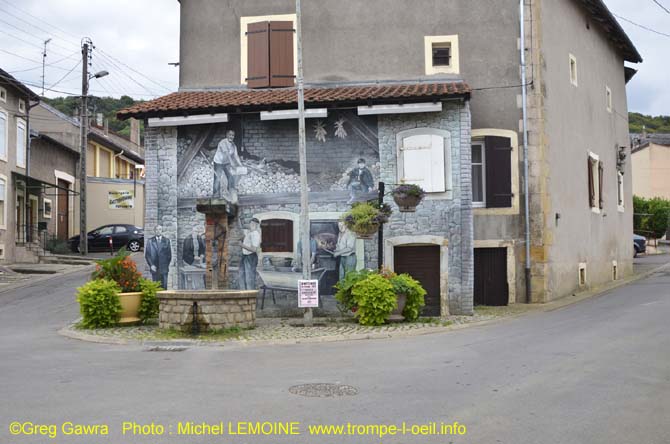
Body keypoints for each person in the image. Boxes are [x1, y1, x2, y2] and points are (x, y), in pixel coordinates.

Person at [212, 129, 243, 202]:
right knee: (217, 178)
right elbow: (227, 154)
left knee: (231, 176)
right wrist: (232, 163)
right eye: (230, 135)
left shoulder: (233, 145)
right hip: (219, 162)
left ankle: (231, 192)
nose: (231, 136)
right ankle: (216, 196)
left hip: (226, 163)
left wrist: (241, 165)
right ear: (227, 135)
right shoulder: (223, 142)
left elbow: (236, 156)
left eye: (233, 135)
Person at [145, 225, 172, 289]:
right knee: (155, 287)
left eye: (160, 229)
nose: (158, 231)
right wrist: (151, 265)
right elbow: (147, 255)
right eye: (156, 229)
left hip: (164, 268)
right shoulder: (150, 241)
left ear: (162, 231)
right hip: (154, 267)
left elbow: (169, 255)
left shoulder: (166, 241)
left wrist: (165, 265)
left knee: (164, 286)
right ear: (154, 231)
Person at [239, 218, 261, 290]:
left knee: (249, 279)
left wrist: (242, 245)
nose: (251, 225)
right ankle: (244, 296)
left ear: (257, 225)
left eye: (253, 224)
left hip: (251, 257)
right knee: (242, 277)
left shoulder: (255, 234)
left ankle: (250, 296)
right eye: (251, 224)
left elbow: (254, 249)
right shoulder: (250, 233)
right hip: (245, 256)